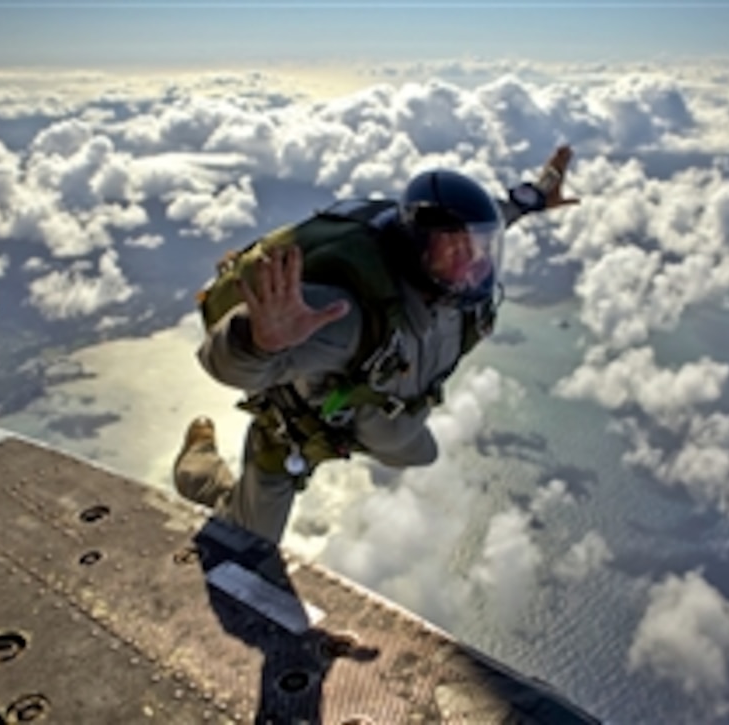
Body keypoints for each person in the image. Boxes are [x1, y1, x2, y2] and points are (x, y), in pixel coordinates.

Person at [175, 146, 580, 544]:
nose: (473, 261)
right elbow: (221, 363)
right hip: (299, 432)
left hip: (384, 424)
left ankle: (376, 433)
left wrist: (540, 191)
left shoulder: (451, 264)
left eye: (479, 246)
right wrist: (258, 341)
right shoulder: (344, 316)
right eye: (455, 248)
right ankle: (198, 466)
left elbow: (498, 213)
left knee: (420, 452)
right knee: (250, 541)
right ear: (418, 248)